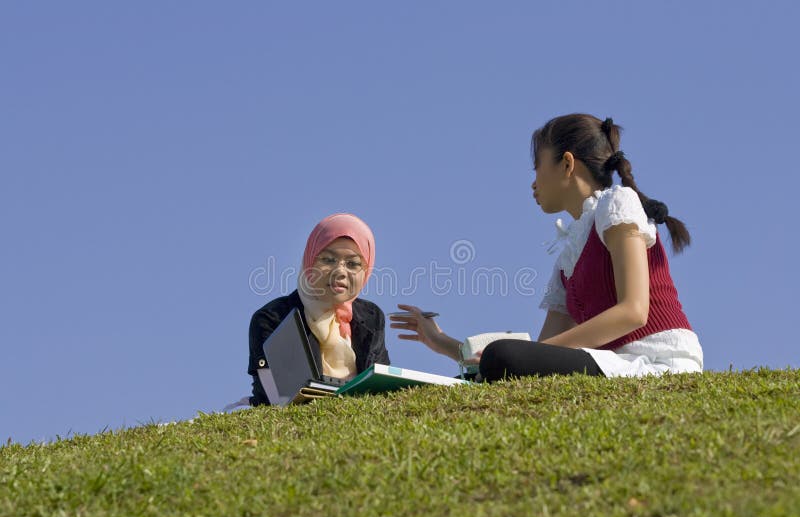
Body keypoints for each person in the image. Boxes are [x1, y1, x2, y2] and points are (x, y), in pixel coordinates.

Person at [391, 113, 702, 382]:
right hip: (613, 364)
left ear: (567, 164)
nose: (533, 183)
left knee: (503, 358)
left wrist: (513, 356)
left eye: (537, 167)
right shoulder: (569, 256)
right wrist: (442, 341)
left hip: (658, 361)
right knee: (494, 367)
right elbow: (542, 352)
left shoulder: (617, 204)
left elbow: (633, 312)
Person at [247, 213, 389, 405]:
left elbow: (383, 392)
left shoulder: (371, 317)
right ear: (310, 261)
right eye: (328, 260)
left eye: (353, 264)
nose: (340, 271)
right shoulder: (272, 318)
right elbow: (276, 399)